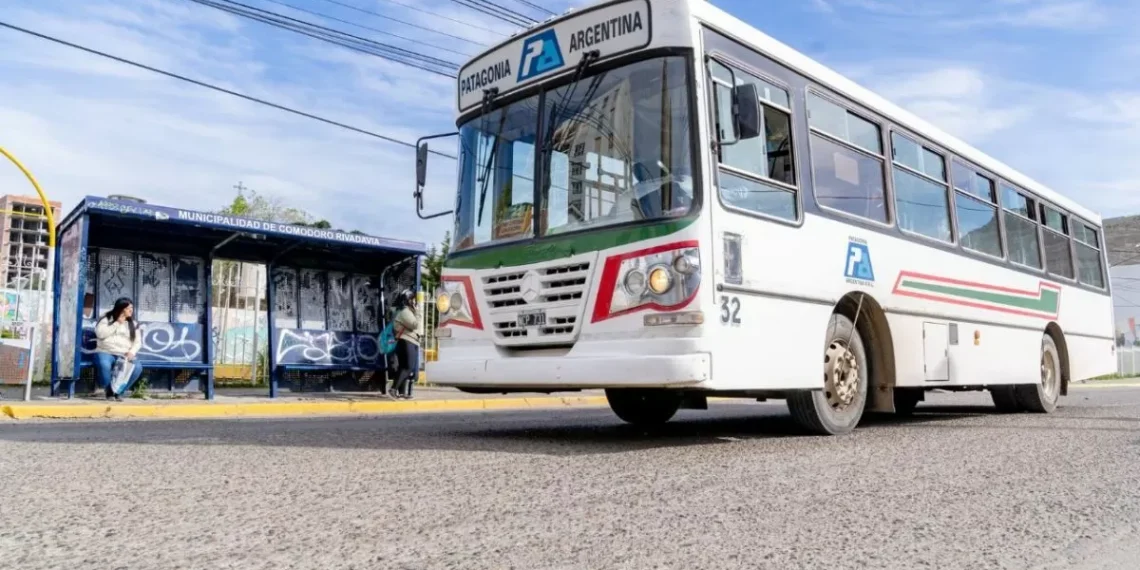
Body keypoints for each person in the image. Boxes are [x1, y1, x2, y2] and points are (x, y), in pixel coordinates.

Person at [93, 297, 144, 401]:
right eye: (128, 308)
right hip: (105, 351)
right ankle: (109, 391)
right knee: (104, 364)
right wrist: (117, 323)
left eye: (132, 308)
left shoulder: (133, 323)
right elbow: (100, 334)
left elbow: (138, 342)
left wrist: (132, 352)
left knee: (137, 367)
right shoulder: (106, 318)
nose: (131, 310)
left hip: (124, 354)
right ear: (121, 309)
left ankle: (120, 391)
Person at [387, 290, 421, 400]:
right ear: (407, 300)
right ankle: (393, 389)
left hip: (407, 341)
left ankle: (401, 392)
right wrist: (418, 312)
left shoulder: (406, 311)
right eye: (412, 299)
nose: (414, 301)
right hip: (406, 341)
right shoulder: (405, 311)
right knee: (408, 367)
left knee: (404, 367)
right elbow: (415, 325)